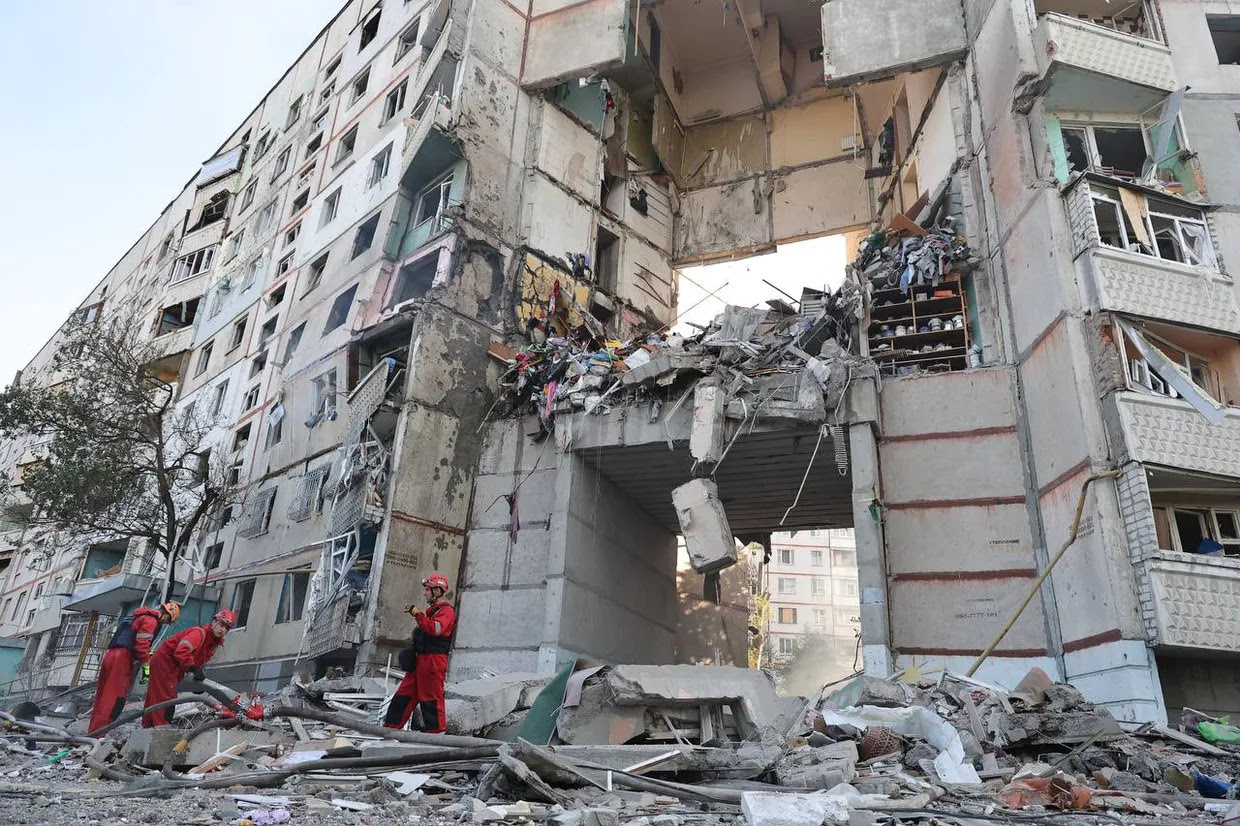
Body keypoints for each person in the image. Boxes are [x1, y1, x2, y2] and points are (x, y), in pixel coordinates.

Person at [87, 602, 180, 733]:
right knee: (114, 699)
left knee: (102, 697)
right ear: (166, 617)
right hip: (122, 659)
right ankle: (99, 734)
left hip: (111, 655)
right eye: (167, 621)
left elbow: (135, 640)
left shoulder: (137, 615)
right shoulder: (151, 621)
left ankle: (93, 731)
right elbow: (142, 646)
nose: (164, 623)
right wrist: (146, 668)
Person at [384, 573, 456, 733]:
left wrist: (418, 615)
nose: (425, 593)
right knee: (403, 696)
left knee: (431, 700)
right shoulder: (432, 612)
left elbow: (435, 629)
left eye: (427, 589)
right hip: (420, 662)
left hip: (433, 663)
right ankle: (389, 730)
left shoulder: (446, 612)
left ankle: (436, 737)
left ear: (437, 591)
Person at [142, 609, 234, 727]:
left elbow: (196, 661)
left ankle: (147, 727)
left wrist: (195, 680)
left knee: (157, 696)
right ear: (214, 622)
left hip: (173, 666)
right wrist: (193, 669)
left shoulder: (212, 643)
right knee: (165, 698)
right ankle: (160, 729)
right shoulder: (199, 634)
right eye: (221, 625)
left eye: (227, 628)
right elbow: (181, 652)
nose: (223, 630)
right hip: (165, 663)